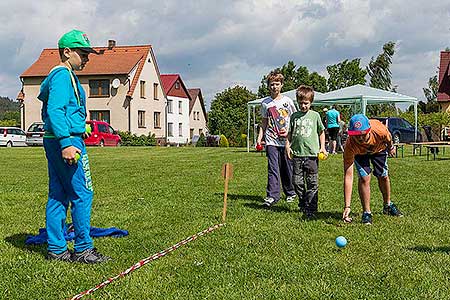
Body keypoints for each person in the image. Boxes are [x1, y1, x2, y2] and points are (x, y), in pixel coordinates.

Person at [38, 30, 110, 263]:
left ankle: (57, 249)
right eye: (83, 53)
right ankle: (83, 249)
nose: (87, 58)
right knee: (82, 193)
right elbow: (55, 110)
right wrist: (67, 142)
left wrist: (81, 123)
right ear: (67, 52)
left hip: (57, 138)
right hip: (66, 141)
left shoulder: (63, 76)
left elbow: (60, 108)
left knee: (58, 195)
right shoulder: (62, 75)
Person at [342, 114, 403, 225]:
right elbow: (348, 176)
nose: (360, 138)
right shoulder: (350, 146)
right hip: (360, 154)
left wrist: (391, 148)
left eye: (363, 134)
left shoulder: (380, 130)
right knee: (365, 178)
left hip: (379, 149)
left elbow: (388, 139)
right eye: (356, 135)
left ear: (369, 130)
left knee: (383, 175)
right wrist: (347, 206)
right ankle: (367, 212)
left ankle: (388, 205)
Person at [285, 86, 327, 218]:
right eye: (301, 103)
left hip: (312, 155)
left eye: (306, 103)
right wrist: (287, 146)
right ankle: (303, 201)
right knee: (297, 182)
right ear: (297, 102)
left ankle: (311, 207)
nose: (303, 106)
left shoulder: (315, 116)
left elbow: (321, 132)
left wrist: (322, 147)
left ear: (311, 102)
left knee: (312, 182)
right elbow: (289, 134)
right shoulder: (294, 116)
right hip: (297, 154)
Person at [257, 71, 297, 207]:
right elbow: (263, 122)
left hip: (285, 140)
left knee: (286, 167)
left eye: (277, 84)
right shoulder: (265, 103)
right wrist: (259, 137)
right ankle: (272, 195)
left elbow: (294, 119)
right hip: (271, 140)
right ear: (268, 86)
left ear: (282, 85)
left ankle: (290, 192)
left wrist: (290, 135)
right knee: (273, 168)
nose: (274, 87)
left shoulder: (288, 101)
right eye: (272, 84)